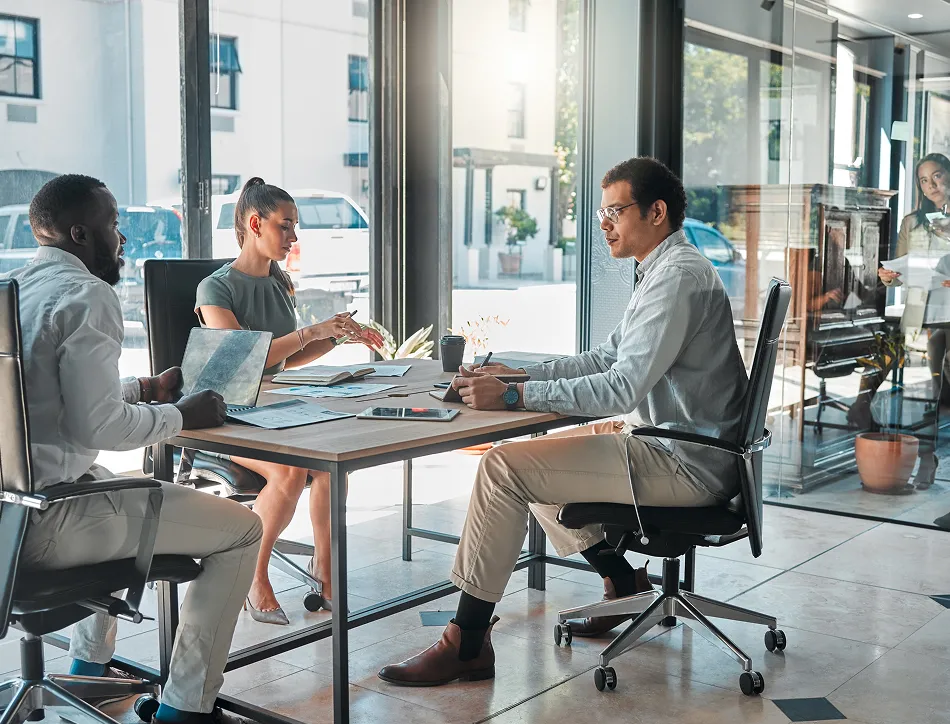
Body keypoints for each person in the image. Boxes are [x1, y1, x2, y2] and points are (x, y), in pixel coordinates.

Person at [377, 157, 749, 686]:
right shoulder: (664, 269)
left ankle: (467, 641)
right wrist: (521, 374)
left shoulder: (678, 279)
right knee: (542, 456)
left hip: (687, 461)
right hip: (684, 445)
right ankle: (621, 583)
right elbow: (605, 359)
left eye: (615, 211)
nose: (604, 223)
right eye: (603, 211)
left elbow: (620, 388)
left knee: (507, 468)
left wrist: (512, 397)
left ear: (657, 212)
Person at [8, 174, 275, 724]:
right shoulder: (87, 295)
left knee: (123, 485)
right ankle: (185, 712)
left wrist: (143, 389)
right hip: (50, 523)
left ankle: (91, 672)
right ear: (81, 233)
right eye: (112, 224)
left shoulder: (15, 289)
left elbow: (48, 401)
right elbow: (97, 429)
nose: (123, 238)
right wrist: (182, 414)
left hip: (11, 513)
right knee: (242, 529)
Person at [195, 177, 383, 624]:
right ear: (255, 224)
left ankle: (326, 572)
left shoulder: (279, 284)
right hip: (217, 414)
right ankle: (254, 576)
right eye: (286, 226)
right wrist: (310, 331)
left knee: (329, 463)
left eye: (295, 226)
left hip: (268, 408)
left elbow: (290, 357)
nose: (293, 237)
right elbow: (243, 360)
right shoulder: (214, 289)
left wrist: (335, 337)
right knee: (291, 468)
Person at [852, 153, 950, 488]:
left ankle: (929, 457)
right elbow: (895, 276)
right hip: (919, 315)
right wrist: (888, 275)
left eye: (937, 176)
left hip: (947, 317)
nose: (932, 185)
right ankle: (919, 455)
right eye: (924, 180)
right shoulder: (912, 222)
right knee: (923, 396)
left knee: (942, 395)